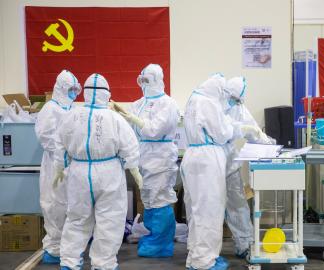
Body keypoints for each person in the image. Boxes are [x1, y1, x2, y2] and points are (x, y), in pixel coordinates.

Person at [53, 73, 142, 270]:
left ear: (85, 93)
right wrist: (134, 169)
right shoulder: (115, 118)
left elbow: (58, 144)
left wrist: (59, 167)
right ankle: (103, 264)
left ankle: (69, 262)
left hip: (79, 171)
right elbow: (130, 146)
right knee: (110, 220)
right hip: (108, 172)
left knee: (77, 218)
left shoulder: (70, 116)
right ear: (106, 93)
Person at [181, 74, 259, 270]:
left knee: (197, 210)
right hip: (209, 161)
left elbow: (248, 130)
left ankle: (196, 255)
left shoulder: (195, 98)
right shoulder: (209, 103)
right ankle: (204, 261)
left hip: (196, 159)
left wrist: (258, 135)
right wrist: (240, 129)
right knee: (210, 210)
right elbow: (223, 132)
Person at [119, 63, 179, 257]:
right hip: (143, 155)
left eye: (147, 79)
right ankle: (154, 237)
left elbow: (154, 130)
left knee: (159, 198)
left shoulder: (168, 103)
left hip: (161, 156)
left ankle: (161, 244)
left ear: (157, 79)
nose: (143, 83)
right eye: (141, 79)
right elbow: (130, 131)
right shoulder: (138, 103)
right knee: (148, 198)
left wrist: (135, 120)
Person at [34, 70, 81, 264]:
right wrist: (63, 152)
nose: (73, 93)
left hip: (70, 164)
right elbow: (45, 137)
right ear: (61, 88)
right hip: (55, 164)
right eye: (70, 89)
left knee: (70, 204)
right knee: (54, 204)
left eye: (75, 89)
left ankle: (68, 247)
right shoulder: (50, 109)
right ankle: (54, 249)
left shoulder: (70, 108)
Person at [223, 76, 272, 259]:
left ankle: (245, 244)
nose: (234, 102)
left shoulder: (238, 107)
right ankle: (203, 250)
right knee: (207, 209)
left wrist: (269, 144)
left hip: (228, 164)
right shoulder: (211, 106)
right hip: (210, 165)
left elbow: (253, 131)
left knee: (237, 205)